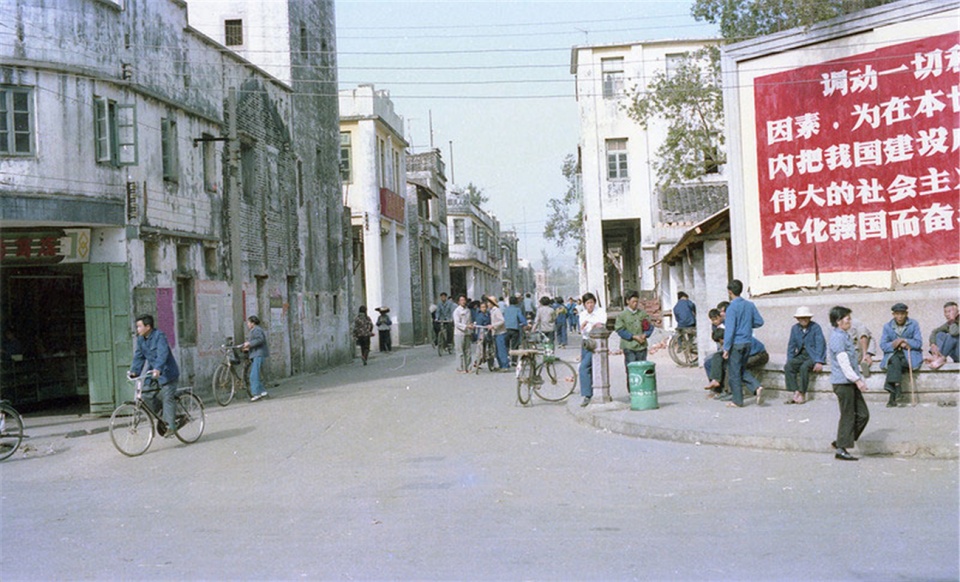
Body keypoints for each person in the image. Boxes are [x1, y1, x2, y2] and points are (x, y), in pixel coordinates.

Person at [827, 305, 869, 461]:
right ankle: (841, 449)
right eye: (847, 318)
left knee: (863, 415)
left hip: (849, 381)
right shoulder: (837, 338)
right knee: (848, 416)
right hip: (843, 383)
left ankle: (841, 441)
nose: (850, 321)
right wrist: (858, 381)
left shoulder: (844, 335)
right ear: (838, 321)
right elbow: (844, 363)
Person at [128, 315, 180, 436]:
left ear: (148, 326)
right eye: (137, 327)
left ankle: (171, 426)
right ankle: (164, 415)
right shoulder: (141, 339)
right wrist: (134, 371)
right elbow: (139, 356)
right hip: (152, 373)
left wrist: (158, 368)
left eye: (139, 326)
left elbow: (163, 354)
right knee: (146, 394)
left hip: (167, 372)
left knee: (168, 397)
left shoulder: (159, 336)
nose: (137, 329)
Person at [722, 279, 764, 408]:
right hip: (748, 342)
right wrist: (746, 325)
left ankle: (737, 400)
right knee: (741, 369)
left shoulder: (731, 308)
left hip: (736, 343)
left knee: (734, 372)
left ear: (730, 292)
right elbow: (759, 322)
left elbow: (730, 330)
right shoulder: (749, 305)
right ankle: (756, 387)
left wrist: (726, 348)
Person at [879, 303, 923, 407]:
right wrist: (894, 343)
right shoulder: (887, 326)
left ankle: (892, 394)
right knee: (895, 359)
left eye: (902, 314)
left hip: (909, 356)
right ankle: (897, 388)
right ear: (893, 314)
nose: (900, 317)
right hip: (894, 355)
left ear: (906, 314)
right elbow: (883, 345)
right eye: (897, 314)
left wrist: (904, 341)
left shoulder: (913, 324)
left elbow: (918, 343)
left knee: (894, 362)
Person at [783, 306, 826, 405]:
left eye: (806, 317)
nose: (804, 320)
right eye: (801, 318)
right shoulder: (795, 328)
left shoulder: (815, 327)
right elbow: (791, 346)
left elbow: (820, 344)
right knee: (788, 366)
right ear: (797, 319)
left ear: (810, 318)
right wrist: (790, 359)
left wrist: (819, 361)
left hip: (813, 356)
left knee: (804, 367)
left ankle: (802, 393)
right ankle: (795, 391)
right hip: (801, 355)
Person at [614, 290, 654, 381]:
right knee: (631, 369)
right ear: (628, 301)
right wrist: (633, 337)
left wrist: (645, 335)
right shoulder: (622, 315)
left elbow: (649, 327)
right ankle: (632, 390)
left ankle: (642, 389)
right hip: (629, 346)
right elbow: (620, 330)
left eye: (637, 301)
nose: (635, 304)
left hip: (641, 346)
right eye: (633, 302)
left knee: (642, 368)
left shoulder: (642, 314)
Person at [578, 292, 607, 407]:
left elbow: (601, 324)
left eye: (591, 302)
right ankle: (589, 393)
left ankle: (587, 395)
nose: (590, 305)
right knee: (587, 368)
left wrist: (590, 324)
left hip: (596, 343)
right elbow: (583, 329)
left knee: (583, 367)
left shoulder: (600, 312)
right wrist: (590, 324)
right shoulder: (582, 314)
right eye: (587, 303)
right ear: (584, 304)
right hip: (585, 342)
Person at [242, 315, 270, 401]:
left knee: (253, 375)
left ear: (253, 323)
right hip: (255, 354)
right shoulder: (254, 330)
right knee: (255, 374)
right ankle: (262, 391)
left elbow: (260, 340)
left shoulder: (257, 330)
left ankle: (256, 394)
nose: (247, 324)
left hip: (258, 354)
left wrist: (249, 344)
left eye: (249, 322)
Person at [926, 301, 959, 369]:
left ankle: (942, 358)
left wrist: (952, 321)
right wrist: (933, 344)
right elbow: (935, 332)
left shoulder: (953, 322)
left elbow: (954, 332)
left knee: (952, 336)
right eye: (945, 312)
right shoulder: (950, 323)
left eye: (949, 311)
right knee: (940, 334)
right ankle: (937, 356)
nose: (947, 314)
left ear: (957, 312)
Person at [502, 295, 528, 366]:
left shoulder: (505, 309)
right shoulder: (517, 309)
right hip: (514, 329)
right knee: (514, 345)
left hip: (505, 329)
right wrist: (525, 324)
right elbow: (521, 318)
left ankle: (506, 358)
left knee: (506, 345)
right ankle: (514, 360)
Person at [452, 294, 473, 372]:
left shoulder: (468, 310)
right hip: (459, 333)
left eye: (464, 300)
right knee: (460, 351)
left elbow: (469, 320)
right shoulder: (457, 311)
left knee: (468, 351)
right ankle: (460, 368)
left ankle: (469, 367)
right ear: (458, 302)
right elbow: (457, 323)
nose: (463, 302)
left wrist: (470, 326)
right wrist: (466, 326)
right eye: (461, 300)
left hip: (467, 333)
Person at [487, 296, 509, 370]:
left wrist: (493, 326)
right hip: (496, 333)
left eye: (489, 302)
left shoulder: (496, 310)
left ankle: (505, 365)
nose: (487, 304)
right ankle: (501, 365)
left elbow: (502, 321)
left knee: (501, 350)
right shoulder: (491, 311)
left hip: (500, 333)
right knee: (497, 351)